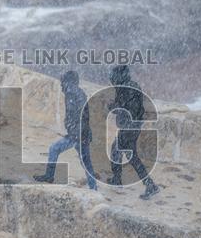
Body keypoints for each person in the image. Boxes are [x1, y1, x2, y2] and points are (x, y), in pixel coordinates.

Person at [33, 71, 97, 190]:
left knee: (83, 162)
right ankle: (50, 176)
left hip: (79, 135)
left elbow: (82, 116)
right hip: (77, 134)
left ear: (68, 82)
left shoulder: (74, 93)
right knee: (83, 161)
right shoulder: (73, 93)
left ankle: (93, 188)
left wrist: (76, 132)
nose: (61, 85)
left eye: (63, 82)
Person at [108, 64, 160, 200]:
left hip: (129, 127)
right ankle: (117, 179)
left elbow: (127, 108)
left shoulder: (127, 89)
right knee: (120, 152)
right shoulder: (129, 86)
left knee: (125, 154)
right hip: (132, 126)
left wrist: (113, 107)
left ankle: (150, 185)